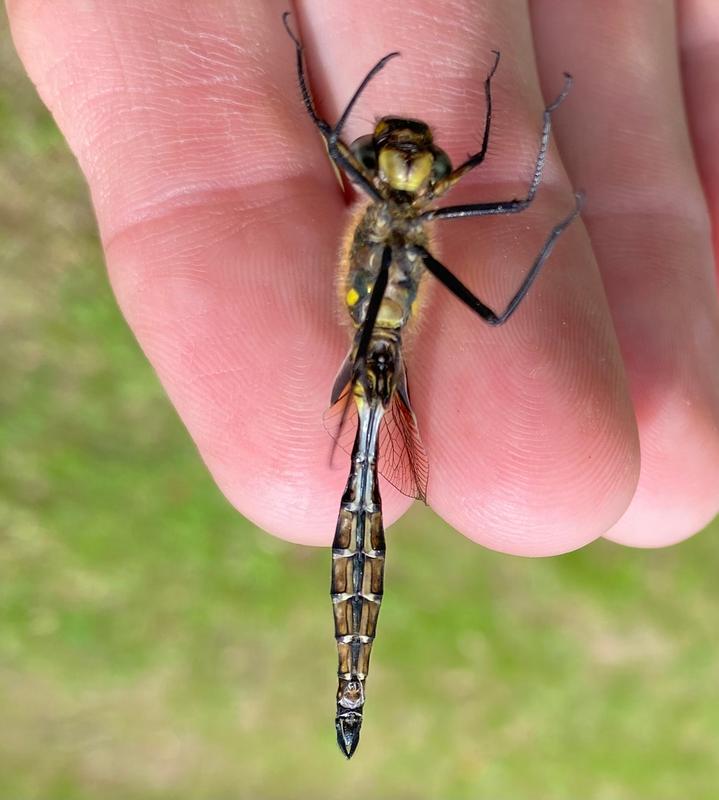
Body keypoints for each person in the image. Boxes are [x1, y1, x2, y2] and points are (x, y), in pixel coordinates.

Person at [7, 0, 718, 555]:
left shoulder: (381, 198)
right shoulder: (415, 203)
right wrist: (552, 207)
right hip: (378, 338)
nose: (407, 163)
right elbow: (368, 141)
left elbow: (336, 134)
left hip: (377, 339)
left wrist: (542, 162)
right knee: (510, 264)